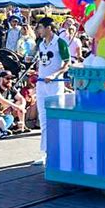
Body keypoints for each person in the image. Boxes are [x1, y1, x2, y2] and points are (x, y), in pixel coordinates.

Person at [34, 17, 71, 165]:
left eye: (41, 27)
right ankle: (46, 152)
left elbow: (67, 63)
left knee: (54, 119)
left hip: (55, 85)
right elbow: (41, 63)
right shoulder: (40, 44)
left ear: (49, 27)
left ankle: (58, 151)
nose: (38, 30)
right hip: (41, 84)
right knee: (43, 119)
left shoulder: (60, 42)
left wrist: (54, 74)